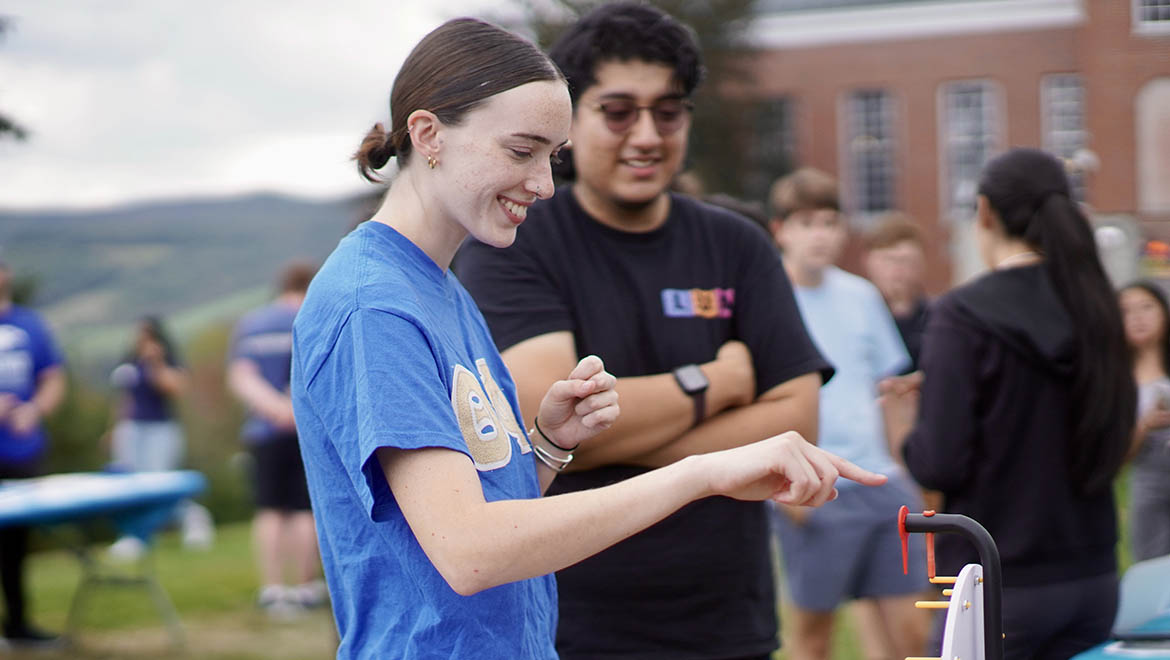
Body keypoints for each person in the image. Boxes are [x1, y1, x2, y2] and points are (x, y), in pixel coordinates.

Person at [290, 17, 884, 660]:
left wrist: (546, 445)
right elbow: (469, 551)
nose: (544, 184)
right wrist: (702, 472)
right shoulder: (372, 304)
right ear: (428, 133)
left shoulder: (438, 289)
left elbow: (484, 512)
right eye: (522, 152)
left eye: (553, 157)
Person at [453, 5, 835, 659]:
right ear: (570, 120)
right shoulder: (516, 242)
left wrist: (620, 438)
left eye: (669, 110)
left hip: (726, 628)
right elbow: (541, 417)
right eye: (619, 111)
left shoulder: (737, 246)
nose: (648, 134)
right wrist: (717, 383)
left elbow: (797, 421)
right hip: (569, 628)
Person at [887, 148, 1136, 660]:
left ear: (985, 213)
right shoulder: (1096, 306)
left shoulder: (963, 315)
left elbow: (939, 461)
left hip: (994, 580)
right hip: (1092, 575)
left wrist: (900, 421)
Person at [766, 168, 929, 660]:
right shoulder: (765, 295)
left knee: (914, 637)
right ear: (781, 230)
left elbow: (892, 392)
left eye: (831, 222)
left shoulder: (861, 295)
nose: (821, 234)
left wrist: (909, 474)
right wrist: (784, 496)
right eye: (807, 222)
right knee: (813, 639)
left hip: (881, 485)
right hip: (810, 490)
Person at [228, 262, 325, 618]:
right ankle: (304, 588)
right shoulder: (316, 315)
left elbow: (242, 376)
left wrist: (274, 409)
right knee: (303, 509)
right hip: (308, 431)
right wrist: (294, 410)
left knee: (270, 510)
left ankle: (273, 590)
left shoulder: (253, 323)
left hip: (264, 431)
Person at [0, 258, 66, 647]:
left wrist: (34, 410)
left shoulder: (31, 325)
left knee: (15, 548)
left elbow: (54, 378)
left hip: (22, 452)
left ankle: (19, 625)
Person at [106, 317, 211, 557]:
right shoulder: (129, 365)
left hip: (160, 428)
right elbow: (123, 399)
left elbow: (174, 389)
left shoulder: (166, 362)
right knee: (130, 484)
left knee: (160, 482)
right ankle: (135, 536)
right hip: (131, 429)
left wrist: (156, 363)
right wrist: (113, 429)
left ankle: (194, 519)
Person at [1120, 281, 1170, 562]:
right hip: (1146, 485)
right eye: (1126, 311)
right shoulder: (1116, 380)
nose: (1138, 317)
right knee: (1152, 566)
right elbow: (1117, 456)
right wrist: (1145, 426)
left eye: (1146, 307)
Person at [862, 213, 930, 371]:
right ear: (867, 261)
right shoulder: (856, 315)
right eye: (889, 259)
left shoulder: (937, 319)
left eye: (906, 260)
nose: (898, 269)